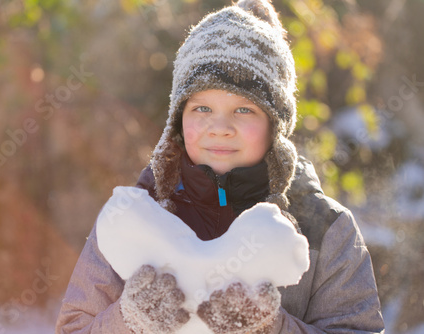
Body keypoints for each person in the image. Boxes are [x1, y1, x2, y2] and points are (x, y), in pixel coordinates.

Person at [55, 0, 385, 333]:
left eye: (244, 110)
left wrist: (271, 327)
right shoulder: (135, 216)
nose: (221, 127)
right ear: (178, 120)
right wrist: (129, 322)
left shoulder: (326, 231)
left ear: (275, 124)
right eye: (202, 109)